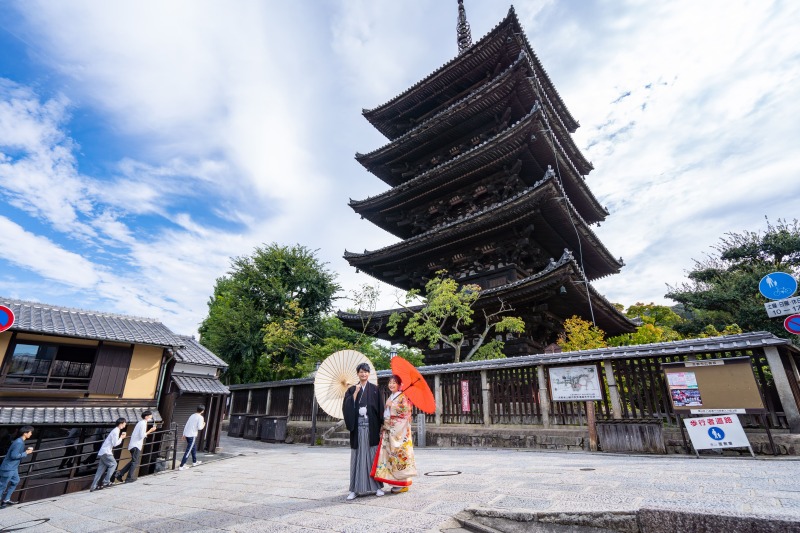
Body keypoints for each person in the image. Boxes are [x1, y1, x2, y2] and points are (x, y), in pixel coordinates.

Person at [343, 362, 384, 500]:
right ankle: (354, 489)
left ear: (369, 373)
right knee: (357, 457)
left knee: (372, 456)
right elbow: (347, 407)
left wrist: (382, 425)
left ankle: (377, 487)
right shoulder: (351, 389)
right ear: (357, 373)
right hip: (358, 429)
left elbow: (380, 408)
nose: (363, 374)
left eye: (366, 372)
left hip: (372, 428)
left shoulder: (375, 389)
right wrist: (355, 393)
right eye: (361, 371)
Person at [371, 374, 417, 493]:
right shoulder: (392, 396)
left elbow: (406, 411)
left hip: (398, 433)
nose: (391, 385)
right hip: (389, 430)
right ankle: (396, 482)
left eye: (394, 382)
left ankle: (403, 483)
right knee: (390, 457)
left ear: (399, 385)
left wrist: (393, 406)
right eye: (390, 382)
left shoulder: (403, 396)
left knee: (399, 456)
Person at [113, 410, 156, 483]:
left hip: (134, 445)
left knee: (134, 461)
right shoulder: (143, 423)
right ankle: (129, 478)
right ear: (146, 417)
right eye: (150, 416)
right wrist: (150, 430)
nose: (151, 417)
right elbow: (142, 435)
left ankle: (120, 474)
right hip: (136, 445)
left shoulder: (141, 423)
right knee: (135, 462)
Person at [0, 426, 34, 508]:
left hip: (13, 467)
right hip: (8, 468)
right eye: (30, 432)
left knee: (16, 481)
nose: (31, 434)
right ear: (25, 433)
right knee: (2, 485)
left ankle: (6, 499)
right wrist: (26, 452)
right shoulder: (19, 442)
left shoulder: (20, 441)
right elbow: (14, 456)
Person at [90, 418, 126, 492]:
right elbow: (115, 444)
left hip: (103, 452)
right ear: (121, 423)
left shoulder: (115, 430)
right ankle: (106, 481)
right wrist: (121, 438)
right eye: (125, 423)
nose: (125, 424)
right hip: (106, 452)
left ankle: (93, 486)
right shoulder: (116, 431)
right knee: (113, 464)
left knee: (100, 470)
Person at [179, 405, 206, 471]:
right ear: (202, 411)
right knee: (188, 450)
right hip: (192, 435)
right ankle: (181, 465)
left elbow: (187, 425)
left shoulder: (192, 415)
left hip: (187, 434)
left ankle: (194, 462)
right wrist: (203, 424)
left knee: (193, 448)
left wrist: (184, 434)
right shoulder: (200, 417)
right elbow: (200, 428)